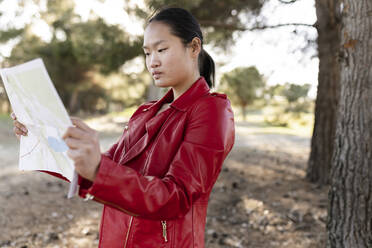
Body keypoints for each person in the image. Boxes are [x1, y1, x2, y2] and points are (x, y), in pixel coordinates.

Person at [11, 7, 235, 248]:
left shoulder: (212, 110)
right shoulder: (145, 112)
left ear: (193, 47)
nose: (153, 62)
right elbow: (105, 167)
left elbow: (177, 196)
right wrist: (42, 134)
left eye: (161, 50)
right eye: (147, 53)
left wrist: (98, 168)